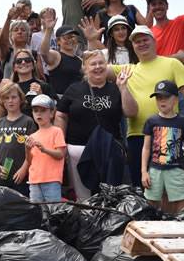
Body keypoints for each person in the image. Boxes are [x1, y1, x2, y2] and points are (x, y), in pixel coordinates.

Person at [109, 25, 184, 187]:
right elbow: (95, 68)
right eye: (137, 41)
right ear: (132, 46)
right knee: (142, 187)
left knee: (169, 187)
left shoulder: (172, 63)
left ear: (154, 41)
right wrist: (91, 42)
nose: (141, 43)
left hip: (168, 133)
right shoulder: (127, 70)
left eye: (145, 39)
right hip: (137, 135)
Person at [55, 50, 137, 199]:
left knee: (109, 194)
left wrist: (123, 88)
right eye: (93, 64)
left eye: (101, 63)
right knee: (84, 196)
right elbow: (61, 115)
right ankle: (86, 220)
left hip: (108, 150)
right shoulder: (74, 89)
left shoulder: (116, 88)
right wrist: (60, 143)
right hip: (78, 149)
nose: (98, 67)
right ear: (85, 68)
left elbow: (131, 112)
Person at [142, 80, 184, 213]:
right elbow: (146, 148)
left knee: (181, 201)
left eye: (166, 97)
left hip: (176, 170)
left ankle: (178, 229)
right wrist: (144, 171)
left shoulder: (182, 121)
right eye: (158, 97)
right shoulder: (151, 121)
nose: (162, 101)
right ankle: (153, 228)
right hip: (155, 169)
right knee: (151, 201)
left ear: (176, 99)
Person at [0, 80, 37, 196]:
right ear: (2, 101)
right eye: (7, 98)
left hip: (21, 176)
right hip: (2, 175)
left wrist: (24, 169)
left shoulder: (28, 122)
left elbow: (33, 150)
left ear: (20, 99)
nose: (10, 101)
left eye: (14, 97)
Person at [25, 94, 67, 203]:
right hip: (34, 180)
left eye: (43, 110)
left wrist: (45, 150)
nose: (39, 113)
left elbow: (61, 154)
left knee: (53, 211)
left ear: (52, 113)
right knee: (37, 212)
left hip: (52, 179)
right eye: (35, 110)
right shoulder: (32, 136)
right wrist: (27, 149)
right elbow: (29, 161)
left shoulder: (56, 131)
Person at [40, 10, 83, 96]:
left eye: (73, 37)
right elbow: (44, 52)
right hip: (60, 100)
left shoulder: (80, 60)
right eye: (67, 37)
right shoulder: (56, 56)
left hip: (77, 100)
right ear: (58, 41)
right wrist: (49, 30)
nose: (70, 40)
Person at [9, 48, 55, 114]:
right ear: (14, 67)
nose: (23, 62)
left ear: (33, 65)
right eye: (19, 61)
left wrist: (41, 96)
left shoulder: (44, 86)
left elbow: (55, 110)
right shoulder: (10, 88)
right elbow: (0, 115)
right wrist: (1, 94)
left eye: (27, 60)